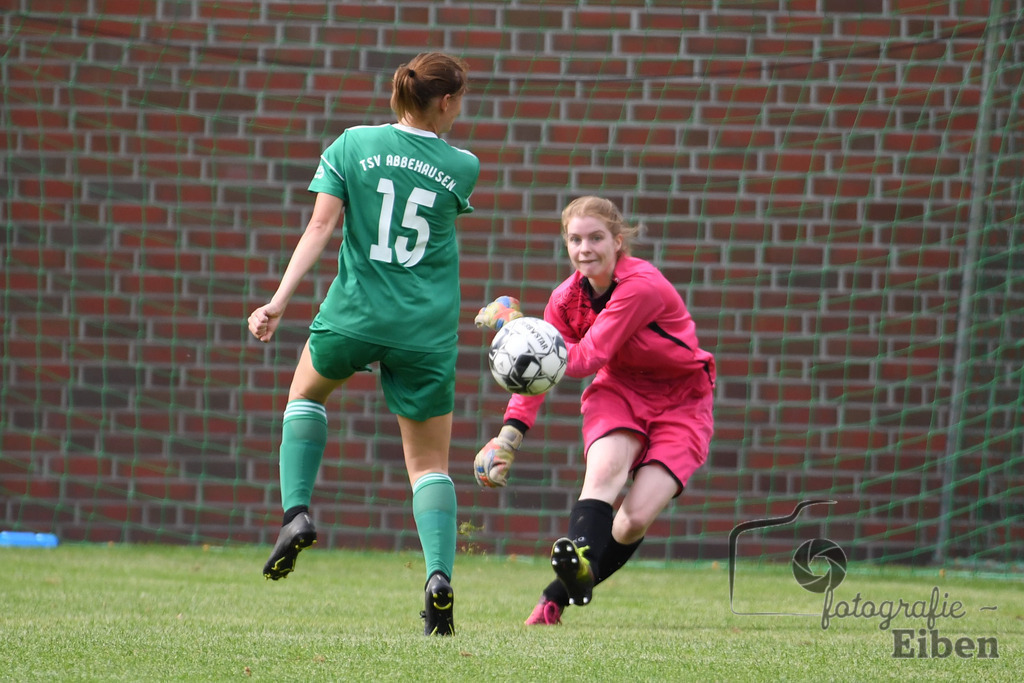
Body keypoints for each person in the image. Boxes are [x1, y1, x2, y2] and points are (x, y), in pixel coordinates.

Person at [247, 52, 479, 636]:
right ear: (447, 101)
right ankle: (438, 579)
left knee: (305, 395)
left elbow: (320, 228)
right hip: (425, 332)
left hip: (354, 313)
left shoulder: (351, 144)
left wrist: (277, 301)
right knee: (428, 464)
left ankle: (296, 513)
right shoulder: (463, 165)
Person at [473, 196, 715, 625]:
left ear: (618, 242)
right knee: (603, 474)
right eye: (575, 239)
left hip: (683, 400)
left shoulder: (641, 285)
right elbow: (538, 375)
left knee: (633, 520)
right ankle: (579, 559)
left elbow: (583, 359)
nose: (585, 248)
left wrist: (517, 328)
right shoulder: (565, 299)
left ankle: (558, 594)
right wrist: (508, 437)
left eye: (596, 237)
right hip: (620, 389)